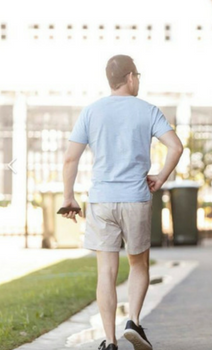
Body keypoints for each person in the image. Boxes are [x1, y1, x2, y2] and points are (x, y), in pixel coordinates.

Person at [61, 55, 183, 350]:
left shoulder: (91, 112)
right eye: (137, 75)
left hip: (102, 200)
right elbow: (176, 147)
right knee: (139, 264)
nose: (138, 80)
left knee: (106, 271)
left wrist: (68, 197)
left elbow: (70, 158)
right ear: (130, 77)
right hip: (135, 198)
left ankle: (110, 340)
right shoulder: (148, 110)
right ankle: (134, 322)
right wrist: (161, 177)